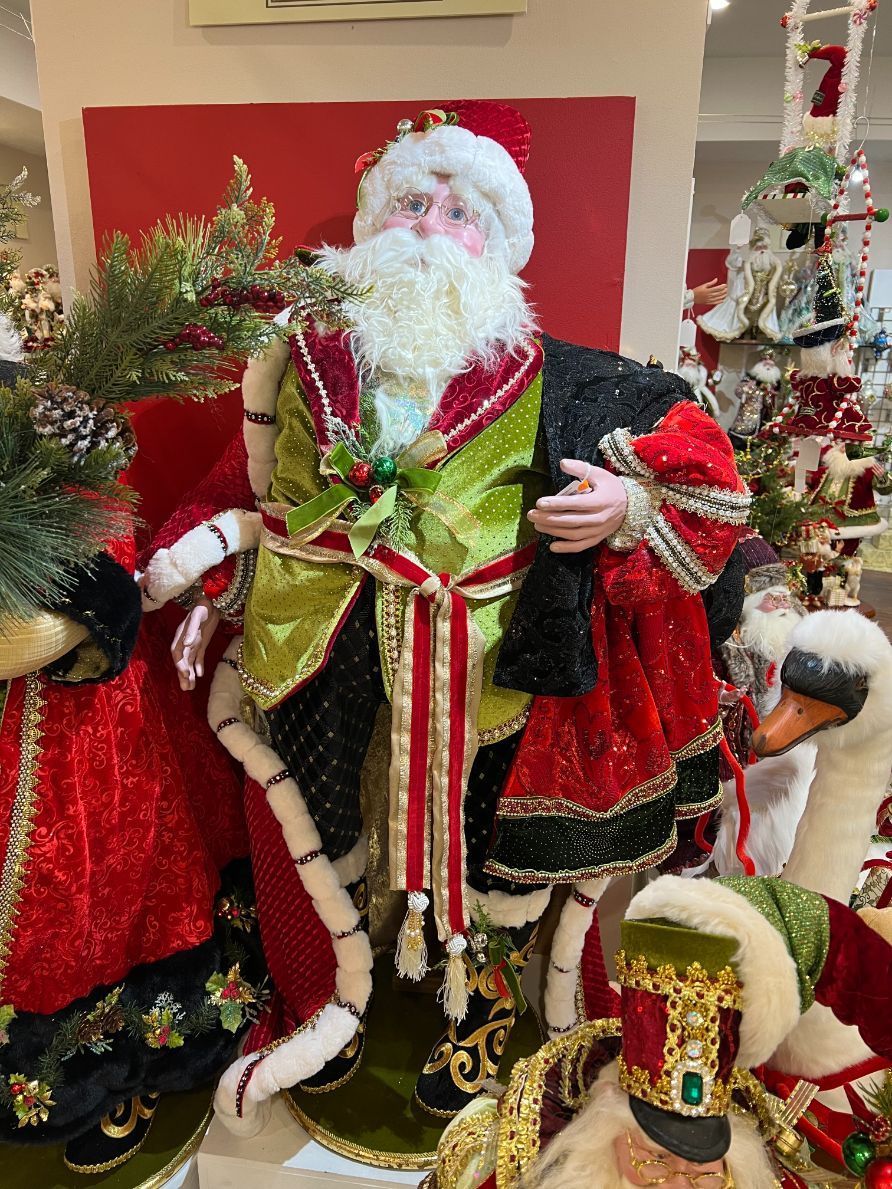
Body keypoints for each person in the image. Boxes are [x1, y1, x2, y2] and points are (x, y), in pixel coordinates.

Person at [140, 100, 750, 1131]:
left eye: (460, 212)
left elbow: (698, 464)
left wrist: (627, 502)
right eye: (411, 201)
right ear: (374, 222)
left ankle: (477, 1003)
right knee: (335, 825)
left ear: (499, 249)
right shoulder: (306, 361)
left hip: (492, 668)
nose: (428, 225)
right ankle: (334, 989)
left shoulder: (566, 377)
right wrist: (217, 581)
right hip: (326, 648)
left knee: (487, 845)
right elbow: (249, 493)